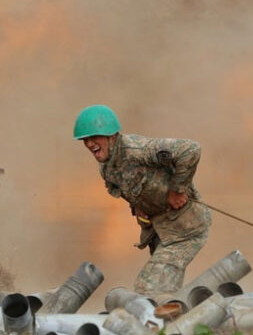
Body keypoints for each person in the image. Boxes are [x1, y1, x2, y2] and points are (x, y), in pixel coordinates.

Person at [74, 104, 211, 295]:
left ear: (112, 135)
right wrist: (138, 206)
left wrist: (177, 190)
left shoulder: (138, 150)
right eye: (85, 140)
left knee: (149, 288)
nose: (89, 144)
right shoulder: (107, 168)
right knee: (166, 293)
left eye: (94, 137)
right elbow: (127, 188)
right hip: (160, 232)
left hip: (185, 229)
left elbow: (190, 150)